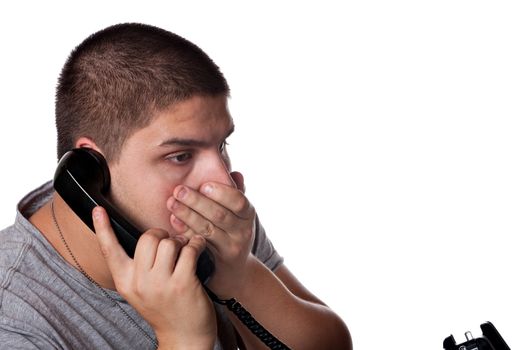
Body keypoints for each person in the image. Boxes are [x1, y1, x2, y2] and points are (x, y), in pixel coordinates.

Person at [0, 23, 352, 349]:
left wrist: (240, 275)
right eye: (181, 156)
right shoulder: (14, 319)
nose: (222, 181)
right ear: (91, 168)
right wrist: (183, 339)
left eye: (221, 146)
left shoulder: (213, 219)